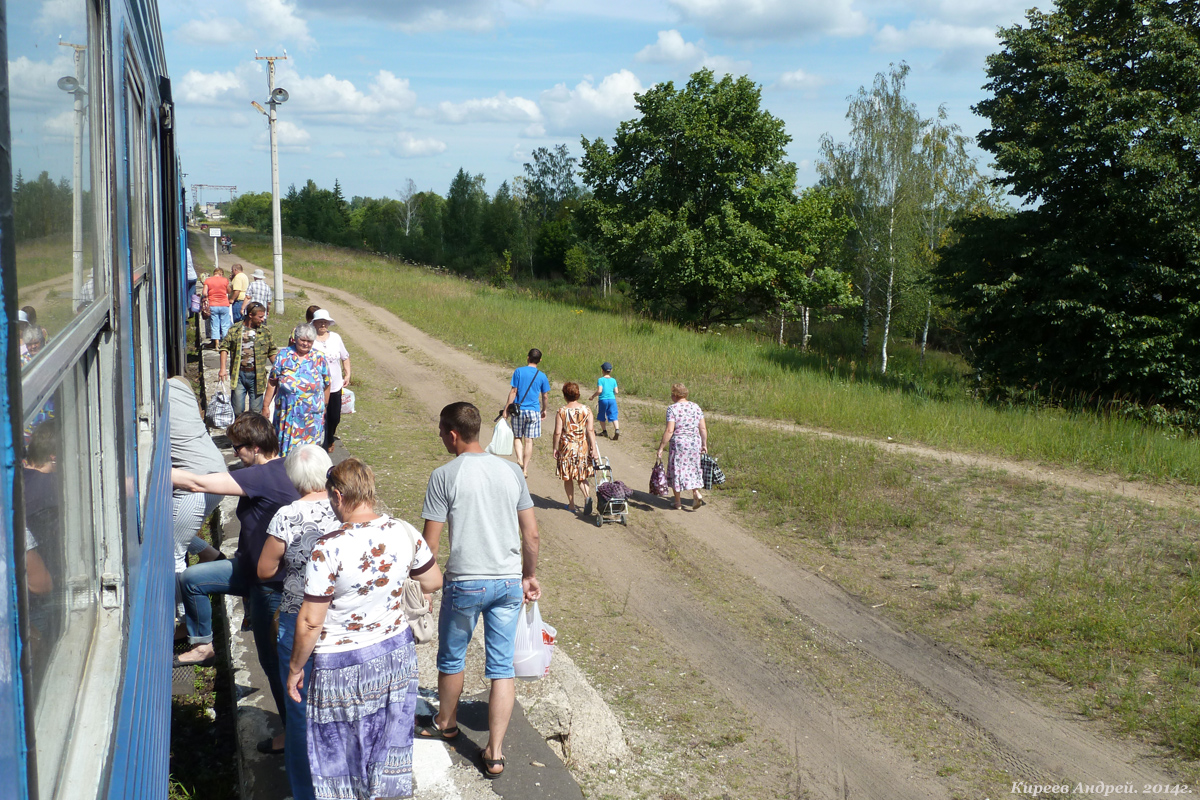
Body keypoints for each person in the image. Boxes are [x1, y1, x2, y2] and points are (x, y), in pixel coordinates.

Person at [287, 458, 442, 800]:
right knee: (387, 746)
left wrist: (296, 667)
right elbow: (432, 579)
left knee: (342, 753)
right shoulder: (404, 531)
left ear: (338, 496)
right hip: (396, 655)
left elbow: (312, 620)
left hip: (342, 664)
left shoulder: (328, 547)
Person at [419, 402, 540, 779]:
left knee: (452, 658)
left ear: (453, 434)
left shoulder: (444, 475)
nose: (440, 437)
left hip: (465, 581)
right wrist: (528, 575)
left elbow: (431, 544)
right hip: (506, 582)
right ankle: (495, 752)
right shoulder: (511, 471)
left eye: (441, 431)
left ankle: (447, 722)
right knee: (502, 667)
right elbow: (531, 534)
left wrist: (425, 585)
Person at [173, 414, 299, 749]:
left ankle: (291, 735)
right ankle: (203, 644)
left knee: (272, 664)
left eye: (237, 447)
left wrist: (152, 472)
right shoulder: (285, 465)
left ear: (255, 447)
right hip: (247, 568)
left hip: (267, 584)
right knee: (192, 579)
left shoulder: (261, 476)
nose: (234, 453)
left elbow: (198, 484)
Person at [258, 445, 339, 800]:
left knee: (299, 708)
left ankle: (304, 791)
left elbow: (264, 569)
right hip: (337, 618)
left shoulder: (287, 515)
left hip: (297, 613)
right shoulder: (344, 510)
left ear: (293, 478)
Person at [167, 377, 225, 585]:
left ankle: (183, 615)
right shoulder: (181, 387)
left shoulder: (155, 396)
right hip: (218, 475)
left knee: (173, 552)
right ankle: (210, 554)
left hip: (195, 484)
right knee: (177, 530)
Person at [262, 323, 331, 457]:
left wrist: (325, 406)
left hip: (311, 416)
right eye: (303, 340)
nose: (306, 344)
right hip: (287, 414)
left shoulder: (319, 358)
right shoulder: (283, 356)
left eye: (309, 341)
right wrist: (265, 406)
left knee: (309, 455)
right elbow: (272, 382)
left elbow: (327, 384)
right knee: (285, 453)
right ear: (295, 338)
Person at [655, 383, 709, 510]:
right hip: (694, 442)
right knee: (693, 468)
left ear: (675, 395)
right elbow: (702, 428)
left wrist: (661, 447)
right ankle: (696, 492)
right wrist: (704, 444)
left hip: (679, 444)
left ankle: (678, 502)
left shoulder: (672, 408)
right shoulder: (695, 407)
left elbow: (669, 430)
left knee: (676, 470)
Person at [219, 302, 278, 415]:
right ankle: (239, 431)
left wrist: (279, 369)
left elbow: (272, 351)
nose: (262, 319)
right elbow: (224, 348)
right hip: (239, 375)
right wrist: (222, 369)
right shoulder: (235, 330)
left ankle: (252, 432)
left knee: (255, 411)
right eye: (260, 317)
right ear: (250, 315)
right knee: (237, 410)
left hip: (257, 377)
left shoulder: (265, 332)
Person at [552, 382, 601, 515]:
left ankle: (572, 505)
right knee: (581, 475)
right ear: (577, 394)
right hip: (582, 446)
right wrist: (594, 449)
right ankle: (587, 497)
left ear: (565, 395)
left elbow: (557, 432)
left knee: (568, 477)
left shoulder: (562, 411)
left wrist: (555, 448)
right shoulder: (587, 410)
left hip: (567, 447)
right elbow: (590, 430)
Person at [500, 348, 550, 478]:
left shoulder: (519, 371)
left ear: (527, 357)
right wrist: (544, 410)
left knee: (517, 437)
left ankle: (520, 459)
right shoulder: (542, 376)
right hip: (533, 411)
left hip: (518, 410)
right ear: (540, 360)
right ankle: (525, 469)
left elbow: (513, 392)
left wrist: (506, 409)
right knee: (529, 441)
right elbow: (545, 396)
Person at [309, 310, 352, 453]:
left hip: (335, 385)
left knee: (335, 417)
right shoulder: (310, 339)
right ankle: (324, 443)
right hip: (317, 386)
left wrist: (347, 374)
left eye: (325, 322)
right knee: (321, 415)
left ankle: (330, 436)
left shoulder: (335, 337)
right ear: (314, 323)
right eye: (320, 322)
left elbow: (345, 357)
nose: (323, 324)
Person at [588, 361, 620, 440]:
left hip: (603, 400)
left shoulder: (601, 380)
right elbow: (616, 391)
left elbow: (599, 391)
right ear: (611, 371)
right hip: (612, 399)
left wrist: (592, 396)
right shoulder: (613, 380)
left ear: (602, 370)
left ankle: (604, 431)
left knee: (601, 415)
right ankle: (617, 429)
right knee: (613, 415)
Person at [202, 266, 233, 347]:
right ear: (221, 273)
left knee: (214, 324)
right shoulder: (225, 280)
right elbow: (229, 291)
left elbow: (204, 293)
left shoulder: (208, 280)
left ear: (214, 273)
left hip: (213, 305)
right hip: (224, 305)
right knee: (225, 325)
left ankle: (216, 344)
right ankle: (225, 344)